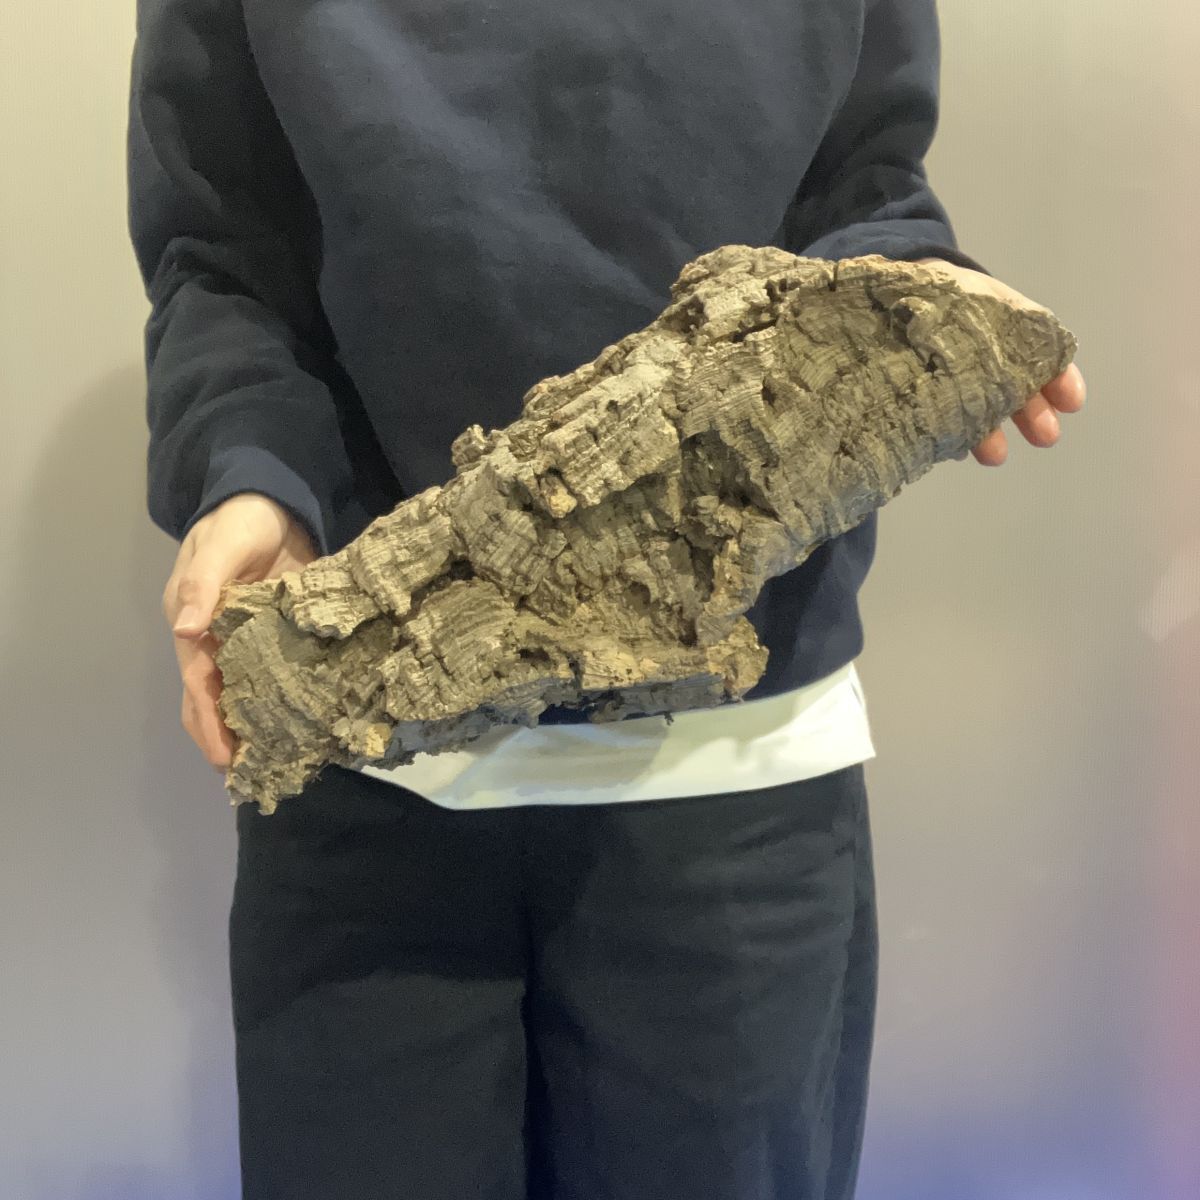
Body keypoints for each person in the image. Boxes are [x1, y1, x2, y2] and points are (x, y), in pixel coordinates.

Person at [127, 1, 1085, 1197]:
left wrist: (912, 301)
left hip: (735, 768)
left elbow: (862, 184)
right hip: (365, 753)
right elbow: (222, 256)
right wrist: (250, 475)